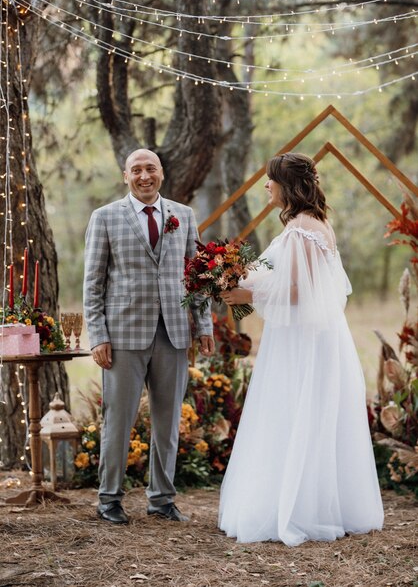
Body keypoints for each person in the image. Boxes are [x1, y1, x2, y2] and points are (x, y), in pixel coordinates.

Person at [218, 152, 384, 546]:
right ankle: (320, 502)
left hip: (302, 340)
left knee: (294, 409)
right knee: (309, 412)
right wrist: (248, 279)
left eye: (270, 180)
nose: (265, 186)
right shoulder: (313, 223)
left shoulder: (300, 229)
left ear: (287, 185)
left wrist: (245, 292)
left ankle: (297, 509)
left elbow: (299, 291)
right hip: (314, 335)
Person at [83, 148, 214, 525]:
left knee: (168, 421)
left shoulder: (183, 215)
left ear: (161, 173)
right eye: (137, 170)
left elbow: (197, 276)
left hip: (173, 332)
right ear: (126, 176)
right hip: (122, 335)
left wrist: (202, 326)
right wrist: (98, 335)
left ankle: (162, 499)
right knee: (118, 421)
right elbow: (93, 283)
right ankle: (109, 499)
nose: (144, 176)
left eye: (150, 169)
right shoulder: (105, 217)